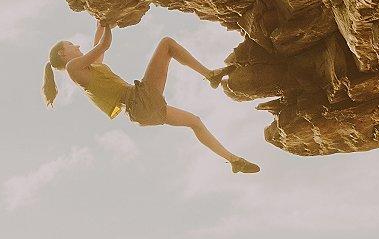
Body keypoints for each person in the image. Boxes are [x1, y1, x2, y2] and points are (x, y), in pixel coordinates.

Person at [44, 21, 261, 173]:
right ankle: (210, 75)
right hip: (138, 100)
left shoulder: (89, 69)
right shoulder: (73, 68)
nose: (77, 45)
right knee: (167, 44)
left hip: (141, 112)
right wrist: (108, 23)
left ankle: (233, 160)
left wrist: (101, 20)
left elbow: (98, 46)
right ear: (63, 54)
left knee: (195, 122)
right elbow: (104, 45)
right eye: (71, 45)